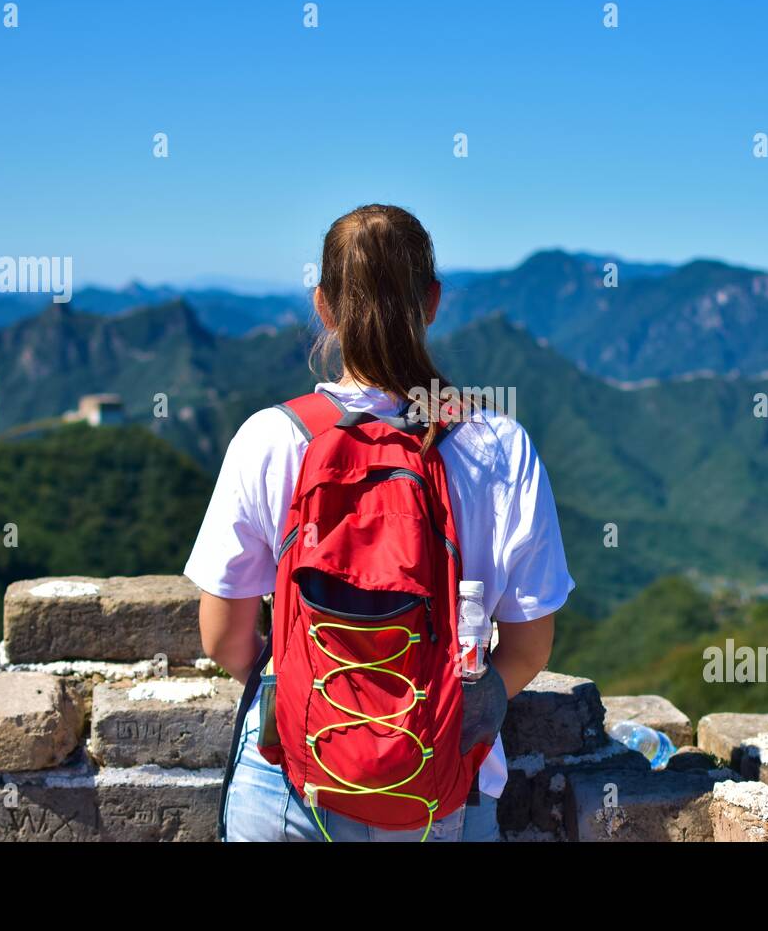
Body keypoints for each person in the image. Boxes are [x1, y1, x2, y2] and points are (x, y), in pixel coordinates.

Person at [184, 203, 574, 841]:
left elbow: (225, 638)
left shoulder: (269, 439)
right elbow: (528, 649)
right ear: (433, 302)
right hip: (439, 789)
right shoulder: (500, 446)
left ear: (324, 306)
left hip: (290, 786)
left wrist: (307, 690)